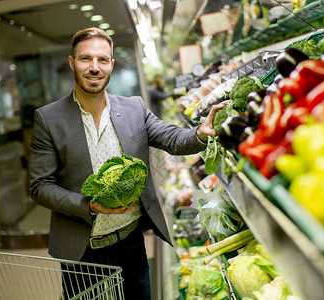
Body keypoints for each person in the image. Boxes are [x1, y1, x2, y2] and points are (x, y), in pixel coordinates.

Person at [28, 27, 226, 300]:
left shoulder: (133, 108)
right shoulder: (49, 119)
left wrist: (200, 133)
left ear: (112, 64)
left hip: (130, 241)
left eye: (102, 60)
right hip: (81, 250)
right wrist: (88, 205)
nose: (94, 68)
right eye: (85, 59)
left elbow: (172, 138)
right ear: (72, 62)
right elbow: (40, 186)